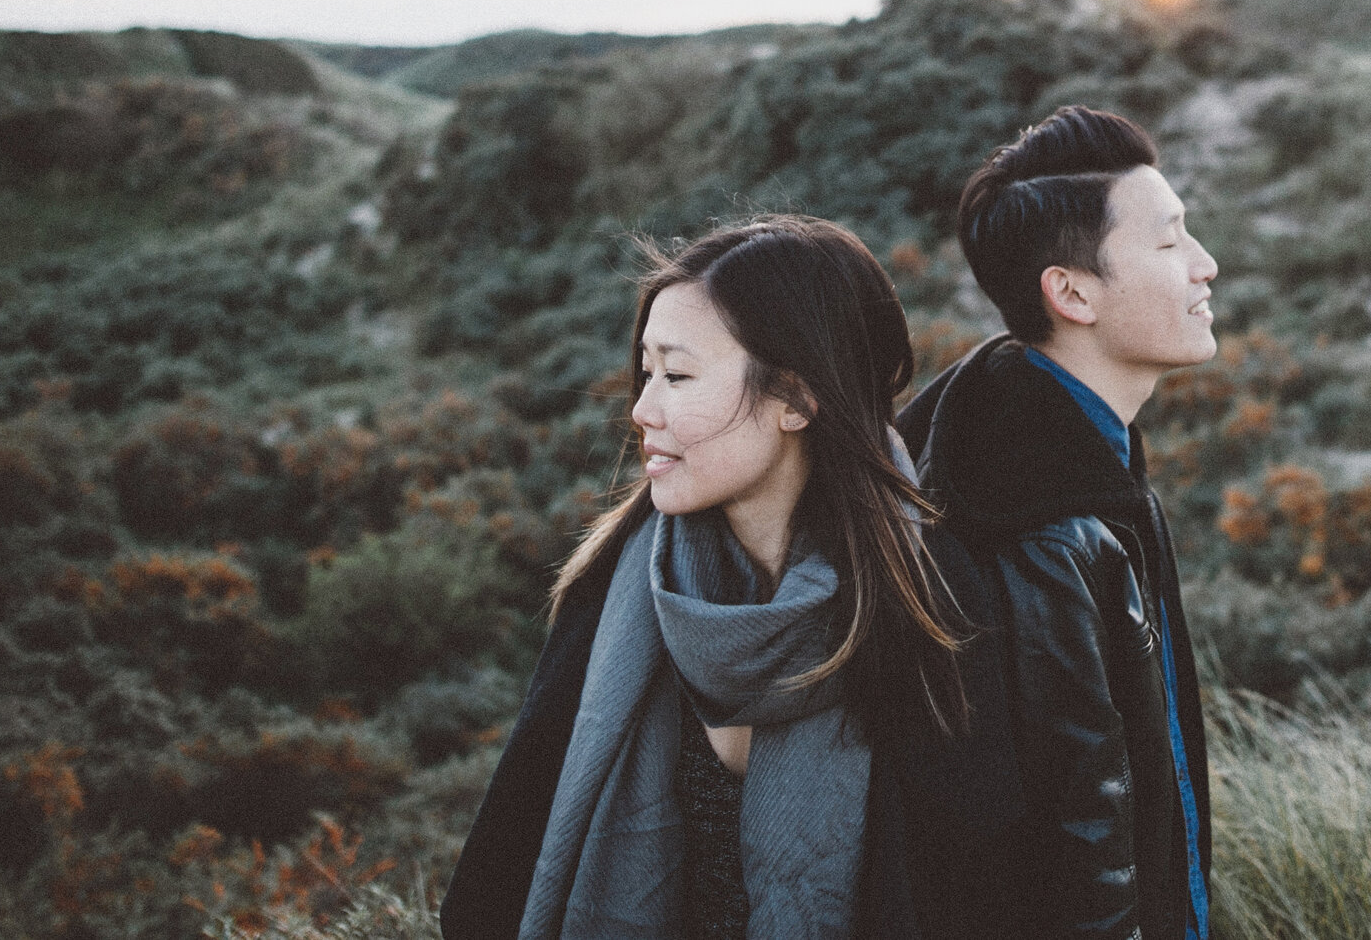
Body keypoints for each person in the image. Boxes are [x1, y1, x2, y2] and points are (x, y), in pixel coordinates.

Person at [442, 216, 1024, 940]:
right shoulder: (623, 584)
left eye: (677, 375)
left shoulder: (928, 598)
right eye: (646, 371)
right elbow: (502, 867)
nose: (642, 409)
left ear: (798, 398)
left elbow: (979, 889)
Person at [897, 106, 1217, 940]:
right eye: (1171, 241)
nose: (1205, 265)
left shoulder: (1049, 451)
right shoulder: (1041, 527)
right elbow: (1075, 847)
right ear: (1071, 291)